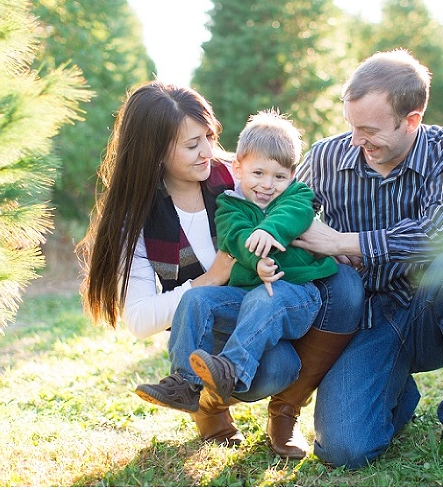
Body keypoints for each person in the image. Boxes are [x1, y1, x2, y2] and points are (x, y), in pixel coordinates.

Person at [77, 83, 361, 459]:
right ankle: (203, 399)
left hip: (272, 293)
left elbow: (290, 199)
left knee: (343, 286)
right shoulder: (137, 221)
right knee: (275, 368)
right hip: (218, 314)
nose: (208, 152)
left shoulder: (236, 175)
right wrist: (209, 278)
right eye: (192, 145)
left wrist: (333, 243)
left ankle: (285, 411)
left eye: (209, 137)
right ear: (156, 152)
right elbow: (141, 319)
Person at [292, 49, 443, 468]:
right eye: (351, 126)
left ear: (411, 120)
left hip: (434, 310)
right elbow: (285, 217)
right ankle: (394, 390)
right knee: (343, 449)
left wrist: (344, 243)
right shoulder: (325, 157)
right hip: (369, 318)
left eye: (369, 129)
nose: (357, 140)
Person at [135, 109, 340, 417]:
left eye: (279, 176)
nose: (268, 185)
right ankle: (184, 384)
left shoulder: (295, 196)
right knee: (195, 298)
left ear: (292, 176)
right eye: (258, 174)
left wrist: (269, 230)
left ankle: (232, 368)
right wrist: (256, 261)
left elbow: (295, 215)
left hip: (295, 296)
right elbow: (234, 236)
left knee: (265, 297)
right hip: (244, 297)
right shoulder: (230, 204)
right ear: (238, 169)